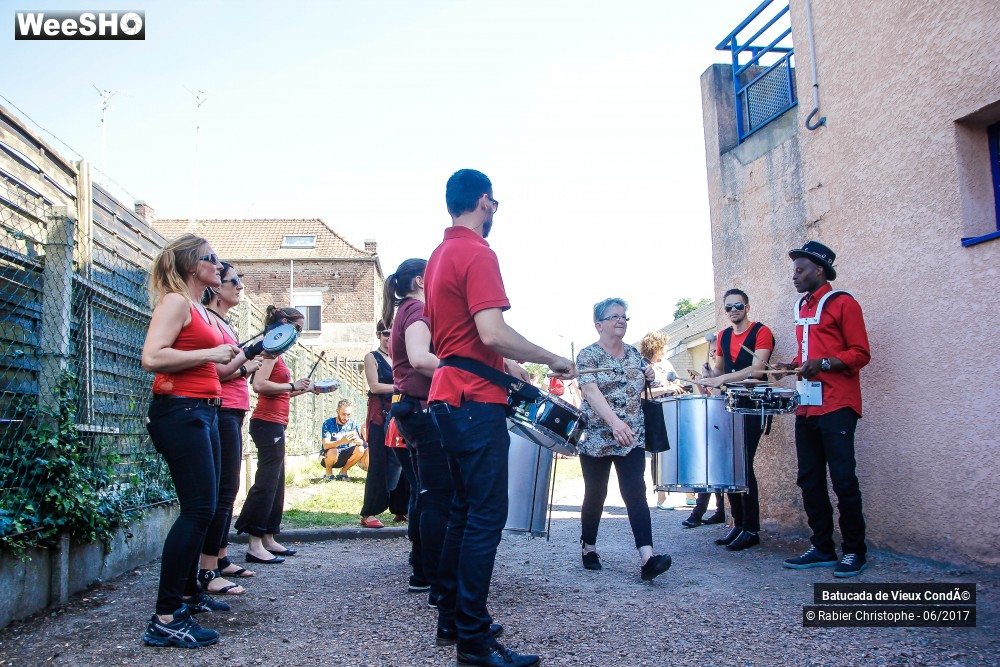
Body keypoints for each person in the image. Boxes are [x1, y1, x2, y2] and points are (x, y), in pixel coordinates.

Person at [425, 169, 576, 667]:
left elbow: (465, 339)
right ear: (485, 202)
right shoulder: (477, 251)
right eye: (495, 204)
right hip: (474, 402)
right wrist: (548, 356)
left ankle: (453, 616)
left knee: (465, 512)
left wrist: (505, 362)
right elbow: (491, 331)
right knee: (487, 517)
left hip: (449, 395)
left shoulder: (438, 256)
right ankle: (473, 640)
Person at [140, 234, 238, 648]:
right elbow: (152, 357)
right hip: (180, 411)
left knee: (209, 507)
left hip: (204, 410)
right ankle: (165, 616)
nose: (218, 264)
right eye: (210, 258)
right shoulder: (175, 301)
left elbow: (216, 364)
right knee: (198, 509)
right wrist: (209, 355)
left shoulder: (197, 307)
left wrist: (237, 358)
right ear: (190, 265)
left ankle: (186, 595)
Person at [777, 241, 872, 577]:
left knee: (843, 480)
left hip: (838, 404)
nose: (795, 276)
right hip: (807, 406)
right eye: (794, 270)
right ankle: (822, 547)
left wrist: (825, 363)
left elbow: (860, 353)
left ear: (819, 270)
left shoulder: (843, 303)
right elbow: (811, 354)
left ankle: (854, 551)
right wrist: (794, 365)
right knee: (809, 478)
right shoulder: (802, 307)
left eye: (801, 270)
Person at [575, 298, 673, 583]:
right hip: (596, 437)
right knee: (596, 493)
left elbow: (646, 383)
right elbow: (590, 392)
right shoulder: (587, 356)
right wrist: (614, 423)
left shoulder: (634, 355)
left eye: (624, 317)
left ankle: (647, 558)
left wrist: (650, 374)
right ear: (599, 324)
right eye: (614, 316)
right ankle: (589, 547)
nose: (621, 320)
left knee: (635, 493)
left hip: (631, 436)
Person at [198, 263, 264, 594]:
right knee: (222, 491)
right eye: (233, 281)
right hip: (221, 408)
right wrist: (245, 363)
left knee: (229, 489)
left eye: (240, 281)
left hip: (234, 409)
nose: (239, 287)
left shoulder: (225, 323)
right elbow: (219, 373)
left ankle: (220, 557)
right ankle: (208, 571)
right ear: (215, 287)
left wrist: (246, 363)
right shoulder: (209, 321)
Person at [694, 288, 775, 551]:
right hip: (728, 405)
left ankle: (751, 529)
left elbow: (758, 369)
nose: (733, 311)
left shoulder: (761, 332)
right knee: (729, 465)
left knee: (743, 464)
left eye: (738, 306)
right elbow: (719, 369)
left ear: (747, 307)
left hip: (752, 405)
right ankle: (738, 524)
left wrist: (722, 379)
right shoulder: (723, 336)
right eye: (728, 307)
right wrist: (709, 373)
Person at [234, 306, 312, 564]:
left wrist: (303, 389)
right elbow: (259, 385)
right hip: (266, 423)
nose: (298, 335)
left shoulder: (280, 355)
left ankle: (269, 537)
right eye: (297, 329)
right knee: (267, 481)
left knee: (277, 482)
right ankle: (254, 543)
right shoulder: (271, 350)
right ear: (284, 324)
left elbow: (279, 391)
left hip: (277, 423)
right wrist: (291, 384)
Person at [382, 258, 441, 598]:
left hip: (410, 409)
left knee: (423, 492)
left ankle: (421, 569)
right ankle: (429, 573)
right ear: (421, 280)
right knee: (435, 495)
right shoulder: (417, 311)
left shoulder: (402, 310)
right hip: (421, 410)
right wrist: (463, 371)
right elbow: (420, 359)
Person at [359, 321, 410, 529]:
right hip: (380, 414)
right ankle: (369, 512)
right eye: (386, 333)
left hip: (400, 414)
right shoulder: (372, 357)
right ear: (379, 334)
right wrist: (402, 387)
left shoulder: (402, 357)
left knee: (403, 460)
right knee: (379, 462)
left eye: (394, 333)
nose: (390, 337)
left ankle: (401, 508)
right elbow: (374, 386)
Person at [638, 331, 686, 511]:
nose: (666, 348)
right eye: (663, 345)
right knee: (658, 454)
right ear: (655, 346)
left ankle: (688, 493)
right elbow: (641, 393)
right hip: (653, 412)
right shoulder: (642, 365)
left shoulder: (666, 364)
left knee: (677, 449)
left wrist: (677, 387)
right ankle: (661, 496)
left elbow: (675, 381)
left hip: (671, 410)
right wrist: (667, 389)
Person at [320, 399, 367, 480]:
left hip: (344, 454)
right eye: (343, 414)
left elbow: (362, 443)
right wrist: (341, 441)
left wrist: (359, 441)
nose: (346, 417)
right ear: (337, 411)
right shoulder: (328, 423)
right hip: (328, 455)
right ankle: (328, 474)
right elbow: (326, 445)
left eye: (348, 415)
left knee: (361, 449)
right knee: (333, 451)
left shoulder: (352, 423)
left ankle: (343, 472)